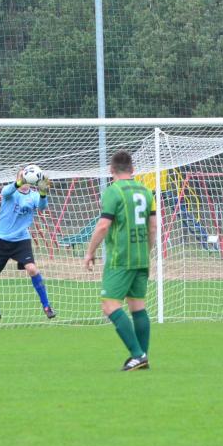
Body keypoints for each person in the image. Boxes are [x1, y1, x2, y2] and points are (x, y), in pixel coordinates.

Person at [84, 151, 157, 371]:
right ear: (132, 169)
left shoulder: (112, 191)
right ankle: (143, 356)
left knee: (109, 305)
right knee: (137, 306)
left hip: (120, 258)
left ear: (111, 170)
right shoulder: (146, 191)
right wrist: (147, 250)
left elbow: (103, 226)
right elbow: (153, 226)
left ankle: (137, 354)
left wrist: (89, 252)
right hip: (141, 257)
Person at [0, 168, 54, 328]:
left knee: (32, 269)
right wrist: (19, 182)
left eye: (26, 176)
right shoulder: (11, 192)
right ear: (18, 178)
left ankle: (47, 306)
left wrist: (43, 193)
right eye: (22, 176)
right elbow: (5, 192)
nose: (25, 179)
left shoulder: (33, 196)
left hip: (21, 240)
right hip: (0, 239)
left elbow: (42, 207)